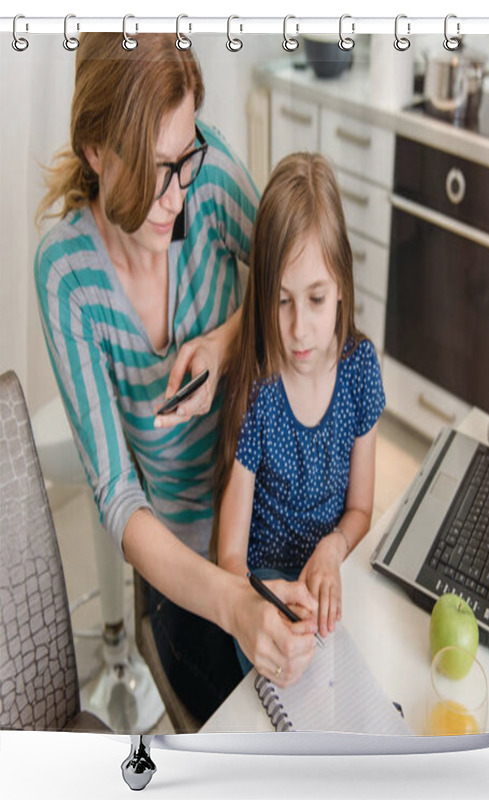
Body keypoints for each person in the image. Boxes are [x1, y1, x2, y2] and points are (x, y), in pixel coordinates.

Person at [34, 33, 318, 726]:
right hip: (189, 564)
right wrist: (231, 601)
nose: (177, 194)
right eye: (158, 169)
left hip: (277, 505)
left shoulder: (208, 173)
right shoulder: (67, 274)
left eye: (185, 156)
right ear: (97, 152)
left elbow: (302, 287)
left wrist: (225, 343)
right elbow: (119, 495)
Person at [212, 153, 385, 670]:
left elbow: (360, 512)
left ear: (341, 290)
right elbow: (230, 560)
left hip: (330, 581)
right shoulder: (257, 390)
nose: (299, 328)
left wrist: (333, 550)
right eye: (281, 301)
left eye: (315, 298)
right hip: (265, 595)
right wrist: (271, 598)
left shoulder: (360, 371)